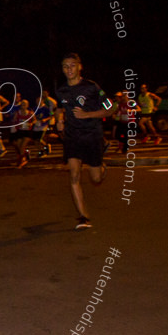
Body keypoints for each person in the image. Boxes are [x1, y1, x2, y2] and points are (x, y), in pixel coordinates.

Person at [55, 53, 116, 230]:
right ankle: (84, 217)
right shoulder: (61, 90)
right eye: (65, 66)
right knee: (74, 174)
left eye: (72, 65)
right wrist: (59, 119)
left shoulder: (91, 88)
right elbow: (59, 107)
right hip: (72, 136)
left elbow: (111, 108)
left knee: (95, 178)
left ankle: (103, 166)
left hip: (92, 134)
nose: (69, 69)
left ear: (80, 67)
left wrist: (87, 115)